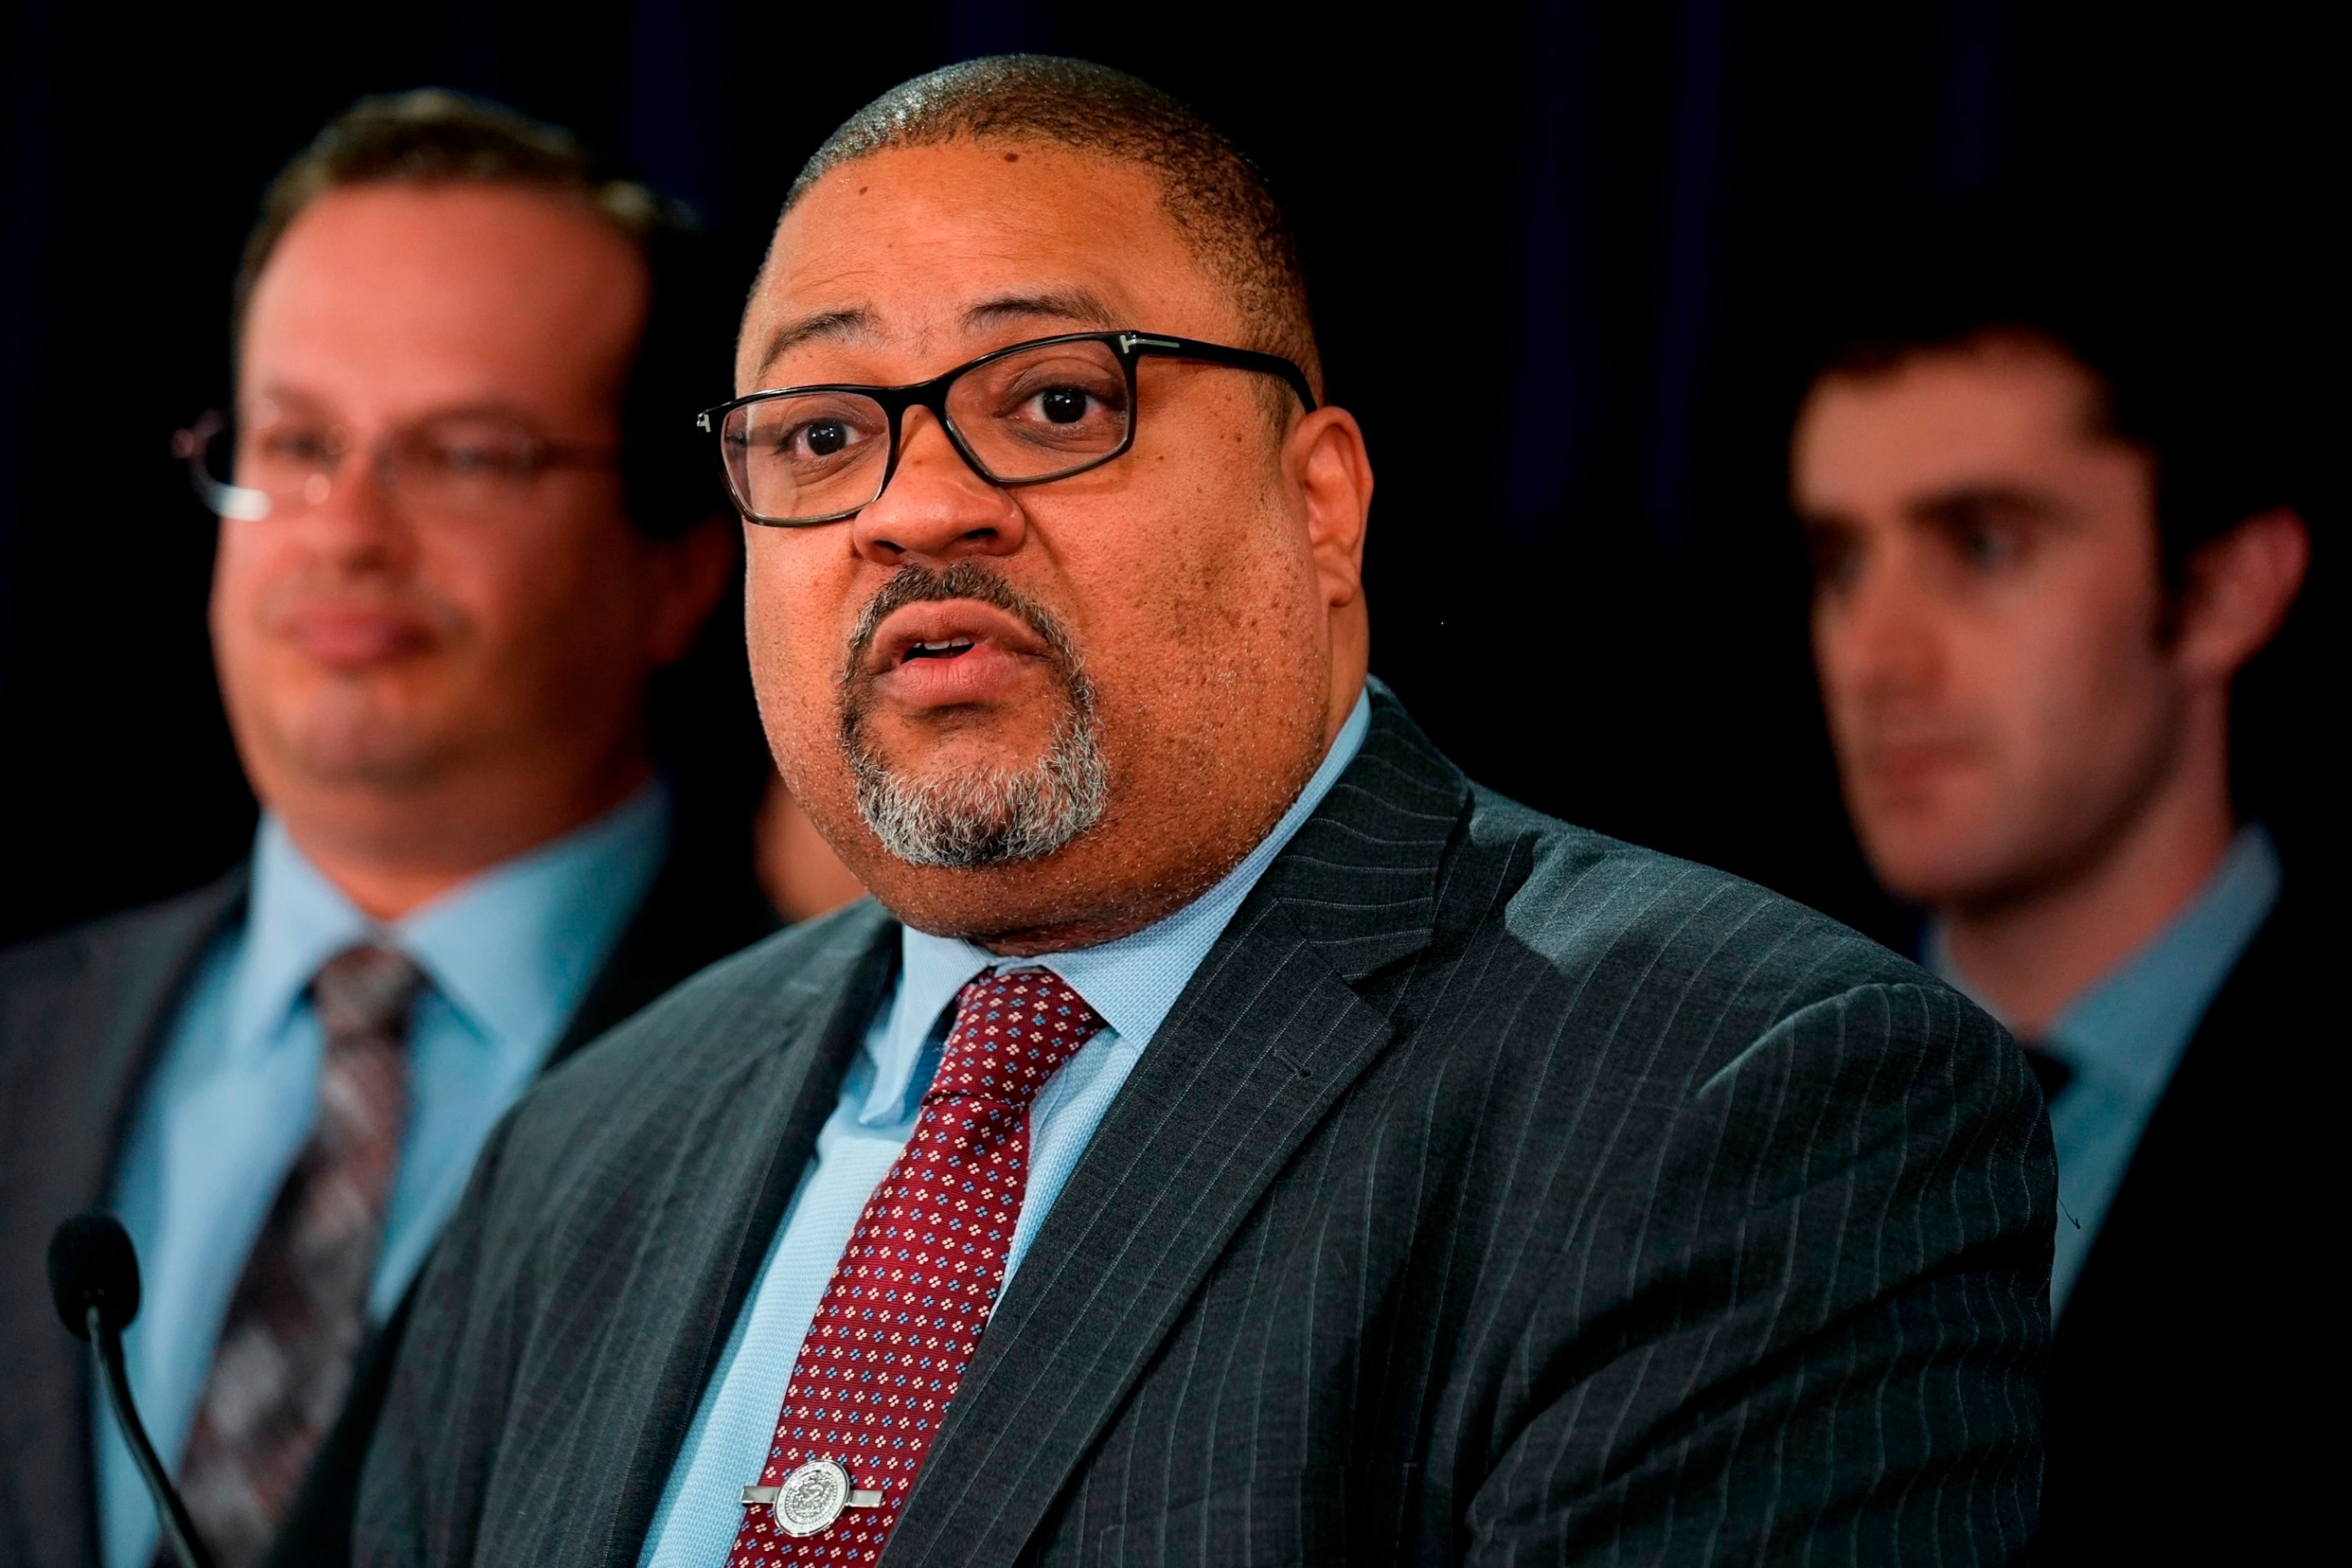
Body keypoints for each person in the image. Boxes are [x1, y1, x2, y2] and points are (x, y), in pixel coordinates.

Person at [358, 59, 2051, 1566]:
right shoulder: (578, 1163)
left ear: (1320, 502)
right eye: (818, 435)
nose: (917, 505)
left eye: (1054, 404)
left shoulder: (1739, 1092)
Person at [0, 91, 777, 1568]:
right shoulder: (18, 1043)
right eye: (296, 440)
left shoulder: (853, 1095)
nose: (345, 527)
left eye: (469, 455)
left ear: (681, 567)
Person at [1790, 253, 2314, 1558]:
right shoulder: (1704, 1083)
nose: (1877, 654)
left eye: (1983, 545)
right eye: (1841, 560)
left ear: (2224, 591)